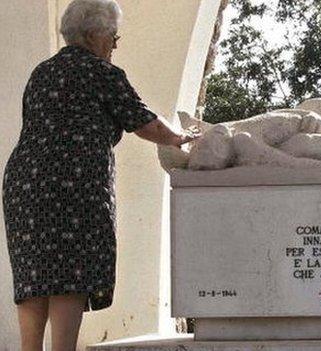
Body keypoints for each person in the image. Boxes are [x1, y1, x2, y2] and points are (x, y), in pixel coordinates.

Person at [2, 1, 198, 350]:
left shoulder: (41, 72)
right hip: (74, 184)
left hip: (24, 184)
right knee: (69, 274)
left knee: (34, 277)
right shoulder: (101, 72)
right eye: (113, 36)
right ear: (94, 34)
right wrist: (181, 137)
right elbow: (145, 122)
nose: (114, 44)